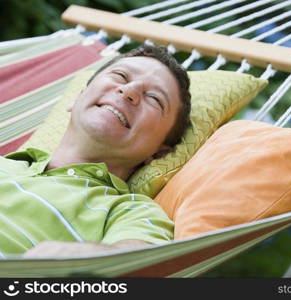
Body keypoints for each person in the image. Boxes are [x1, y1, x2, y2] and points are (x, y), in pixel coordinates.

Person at [0, 45, 191, 258]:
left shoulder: (129, 211)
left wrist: (82, 258)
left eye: (155, 99)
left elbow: (137, 259)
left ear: (158, 153)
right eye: (120, 76)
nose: (129, 91)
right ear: (77, 98)